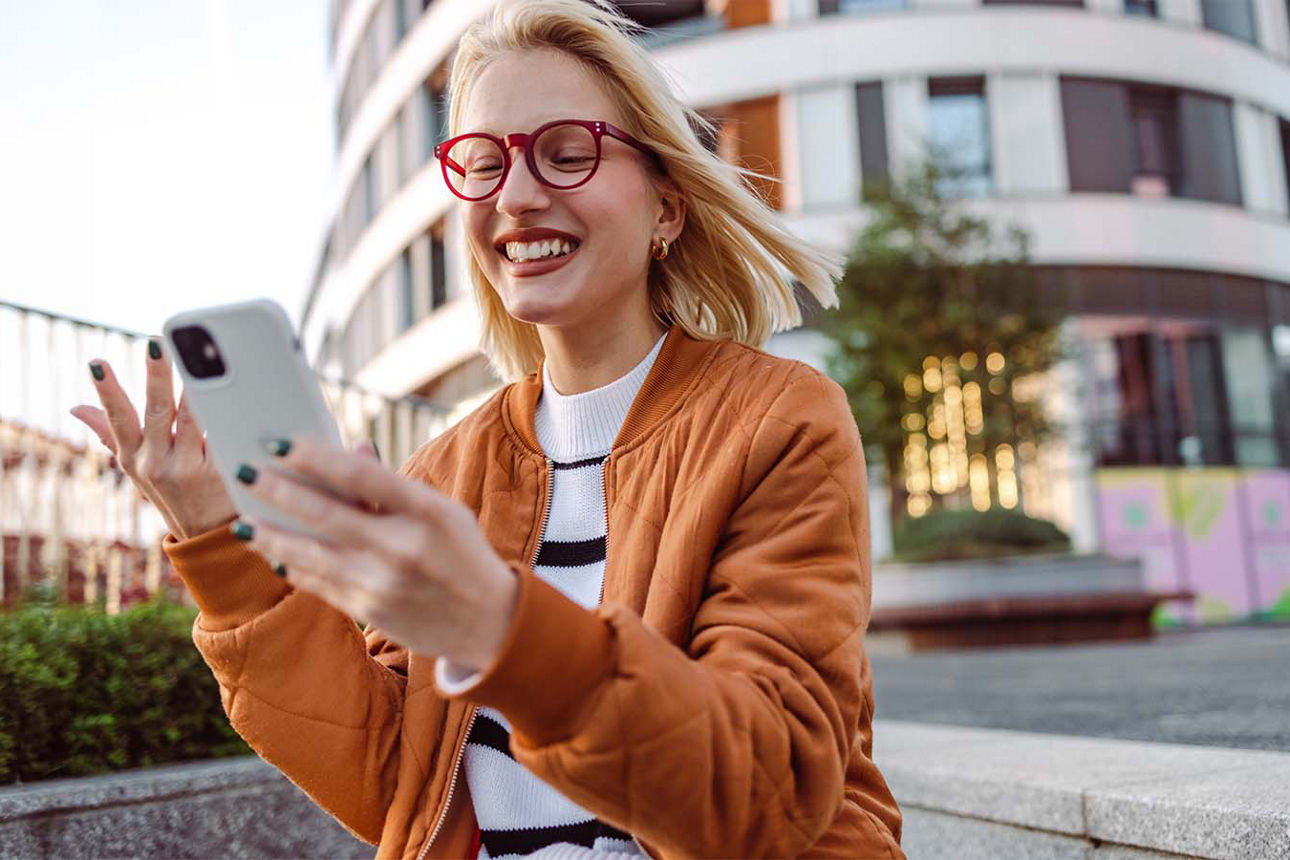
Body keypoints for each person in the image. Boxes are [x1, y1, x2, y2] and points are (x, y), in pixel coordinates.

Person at [69, 0, 905, 856]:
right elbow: (400, 788)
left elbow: (768, 791)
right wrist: (222, 546)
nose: (517, 195)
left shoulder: (778, 421)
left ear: (667, 207)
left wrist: (499, 628)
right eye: (483, 163)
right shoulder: (444, 471)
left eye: (568, 154)